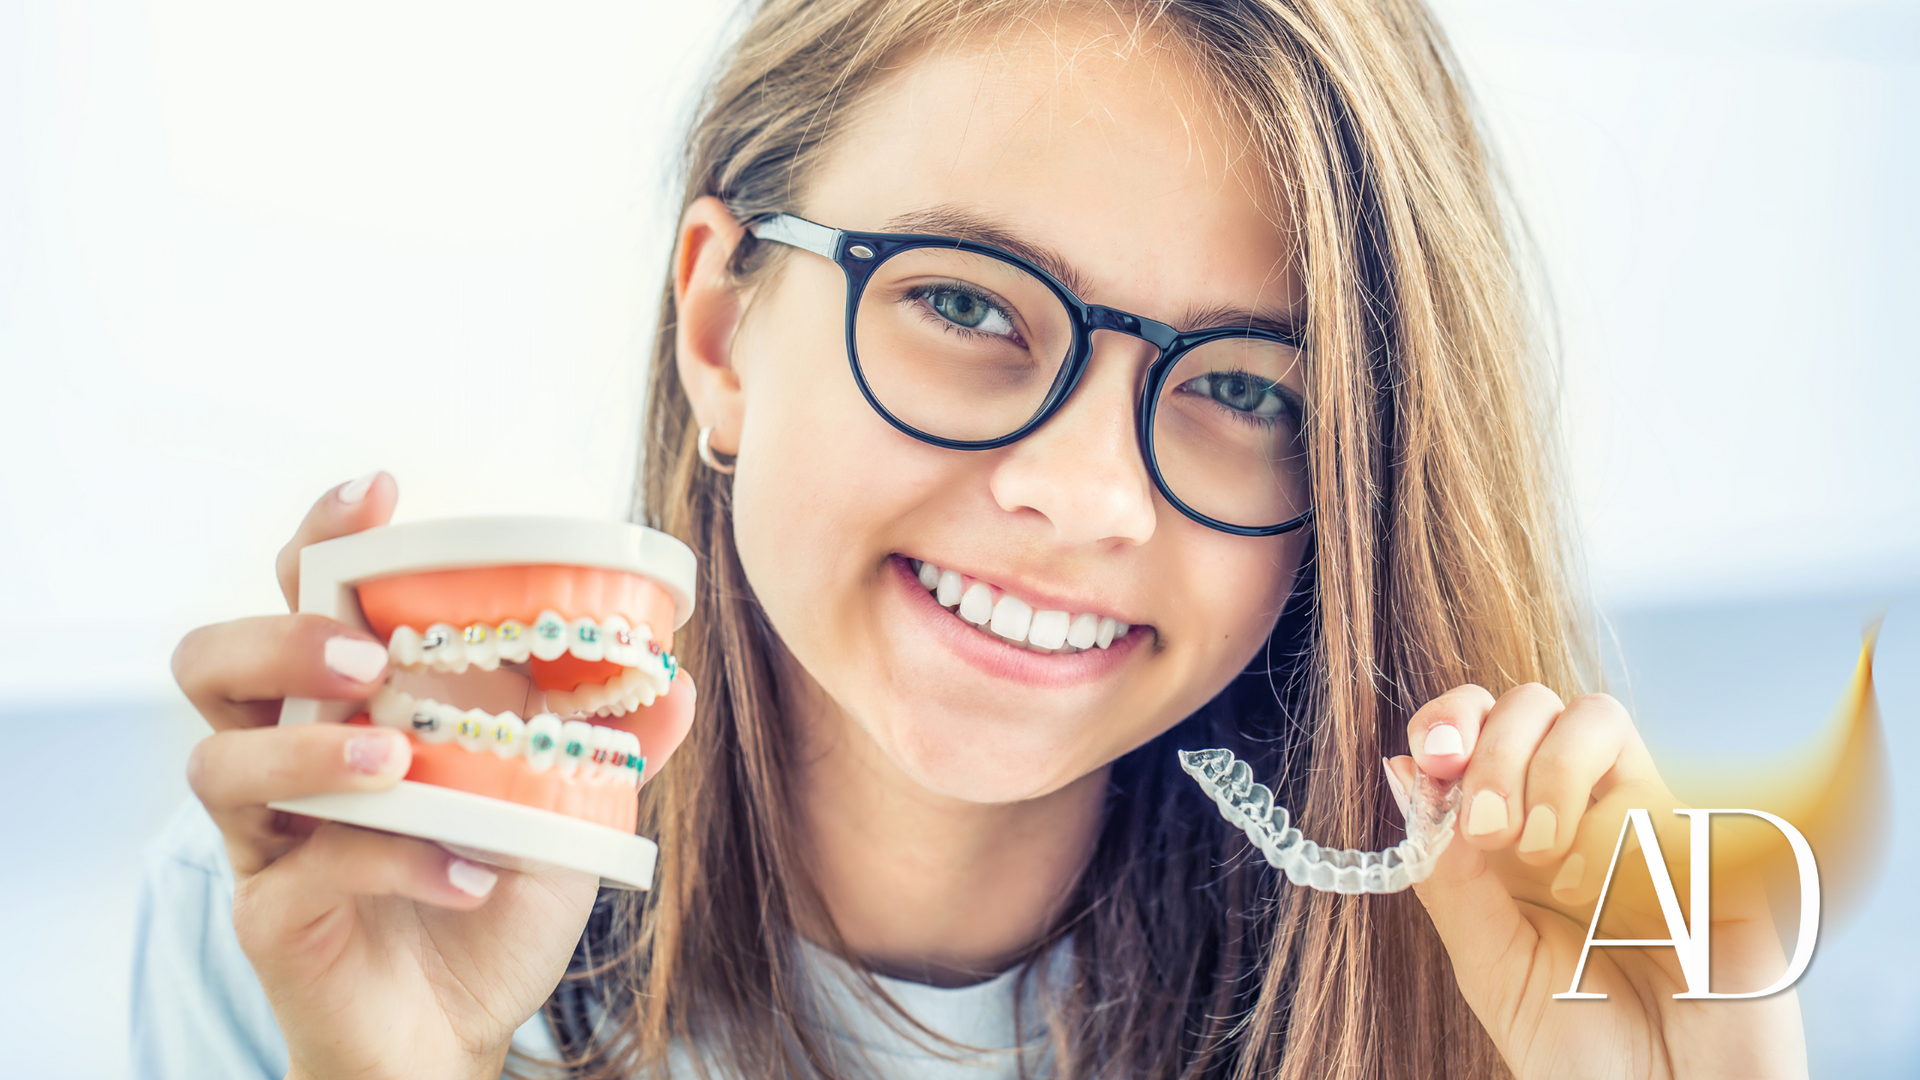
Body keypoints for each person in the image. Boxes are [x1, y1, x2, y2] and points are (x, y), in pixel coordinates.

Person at [144, 0, 1811, 1077]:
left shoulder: (1469, 1005)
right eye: (960, 303)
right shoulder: (311, 913)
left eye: (1248, 389)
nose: (1085, 494)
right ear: (725, 329)